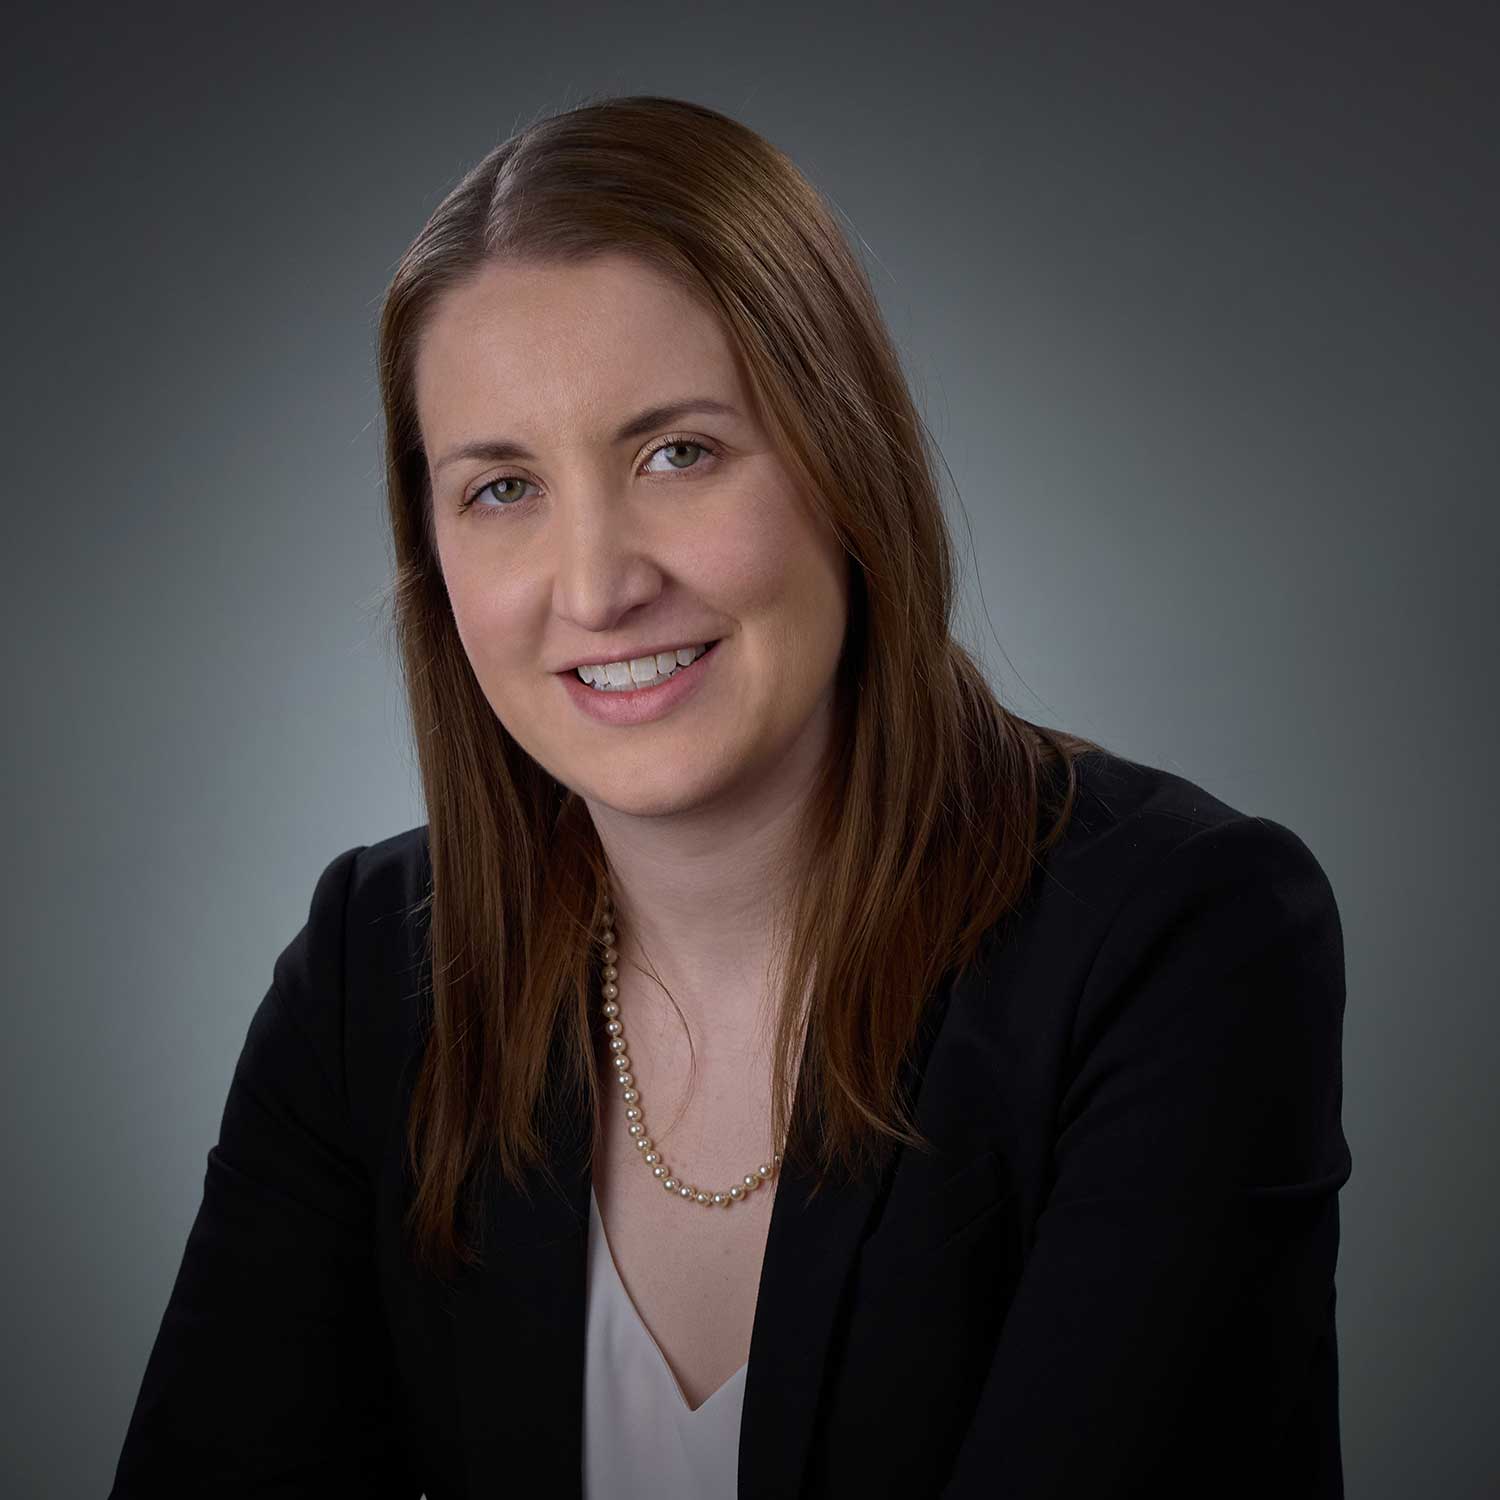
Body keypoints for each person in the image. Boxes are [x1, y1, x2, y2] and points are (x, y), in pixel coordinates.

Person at [108, 95, 1352, 1499]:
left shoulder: (1182, 940)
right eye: (503, 487)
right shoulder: (372, 971)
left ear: (848, 462)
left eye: (678, 453)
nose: (597, 586)